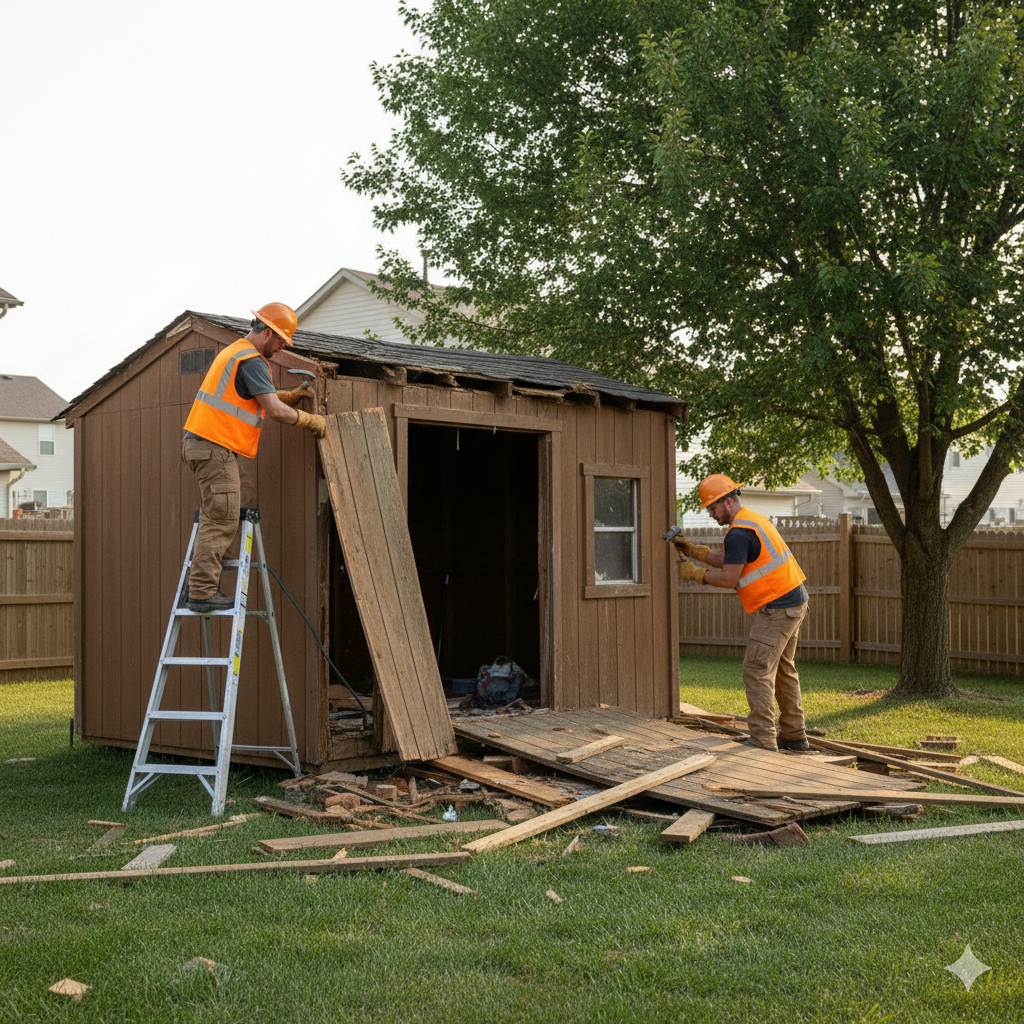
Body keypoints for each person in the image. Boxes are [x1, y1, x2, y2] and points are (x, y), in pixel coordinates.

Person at [181, 302, 326, 613]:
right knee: (221, 517)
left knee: (224, 510)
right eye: (282, 342)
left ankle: (196, 585)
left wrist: (290, 396)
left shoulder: (236, 352)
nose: (281, 348)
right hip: (214, 448)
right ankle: (202, 592)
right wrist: (311, 420)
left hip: (207, 447)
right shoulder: (253, 360)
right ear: (269, 333)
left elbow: (257, 398)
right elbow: (273, 409)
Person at [674, 475, 810, 752]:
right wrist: (695, 551)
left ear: (727, 501)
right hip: (794, 601)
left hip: (778, 608)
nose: (711, 514)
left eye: (712, 508)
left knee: (756, 670)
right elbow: (731, 559)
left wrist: (695, 574)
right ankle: (794, 736)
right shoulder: (750, 520)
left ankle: (762, 740)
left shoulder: (738, 532)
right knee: (783, 669)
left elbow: (728, 578)